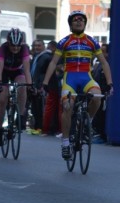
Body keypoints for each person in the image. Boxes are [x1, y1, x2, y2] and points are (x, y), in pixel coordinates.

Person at [41, 11, 113, 160]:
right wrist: (45, 82)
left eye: (81, 20)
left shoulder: (92, 42)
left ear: (85, 23)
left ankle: (88, 122)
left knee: (97, 97)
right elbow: (54, 62)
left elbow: (104, 62)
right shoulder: (64, 42)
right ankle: (66, 143)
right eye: (75, 20)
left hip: (86, 78)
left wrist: (110, 83)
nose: (79, 22)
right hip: (70, 80)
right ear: (71, 24)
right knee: (67, 106)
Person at [0, 28, 33, 145]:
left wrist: (30, 85)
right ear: (8, 43)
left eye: (18, 46)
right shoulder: (3, 49)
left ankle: (20, 117)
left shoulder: (24, 49)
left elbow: (26, 70)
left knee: (23, 85)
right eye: (13, 45)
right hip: (4, 72)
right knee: (2, 99)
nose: (15, 48)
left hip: (17, 71)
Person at [29, 39, 46, 134]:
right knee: (34, 108)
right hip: (34, 85)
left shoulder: (46, 57)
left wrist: (42, 86)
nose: (36, 47)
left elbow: (45, 73)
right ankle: (35, 128)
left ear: (43, 46)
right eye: (35, 45)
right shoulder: (36, 56)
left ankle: (40, 128)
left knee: (40, 108)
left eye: (39, 45)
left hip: (41, 86)